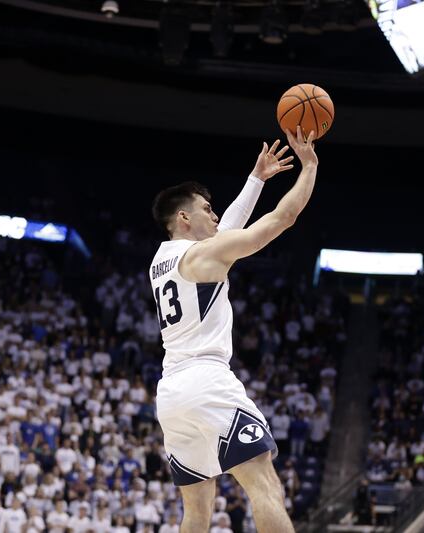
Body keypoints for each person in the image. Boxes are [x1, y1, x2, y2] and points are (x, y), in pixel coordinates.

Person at [150, 126, 318, 532]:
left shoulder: (161, 261)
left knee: (197, 511)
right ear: (183, 217)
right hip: (207, 381)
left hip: (171, 393)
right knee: (265, 486)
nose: (215, 214)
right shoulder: (204, 253)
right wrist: (309, 166)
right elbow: (284, 218)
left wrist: (256, 179)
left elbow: (224, 232)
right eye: (207, 209)